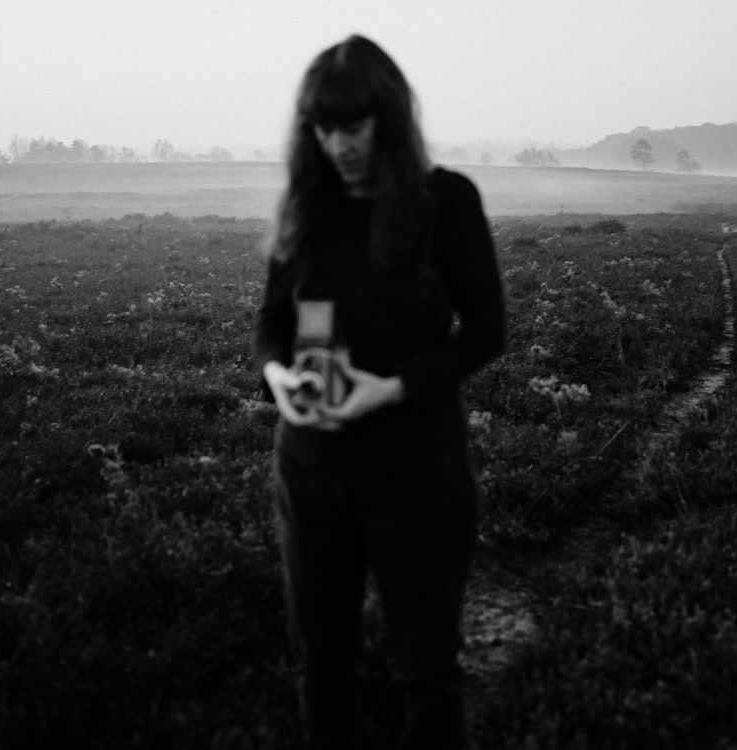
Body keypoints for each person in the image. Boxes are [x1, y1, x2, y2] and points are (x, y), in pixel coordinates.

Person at [253, 34, 506, 750]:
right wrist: (280, 379)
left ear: (388, 120)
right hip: (310, 473)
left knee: (427, 672)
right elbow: (273, 321)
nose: (340, 145)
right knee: (324, 670)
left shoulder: (445, 202)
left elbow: (487, 330)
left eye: (354, 126)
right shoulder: (308, 207)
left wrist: (388, 389)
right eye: (324, 129)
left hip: (417, 471)